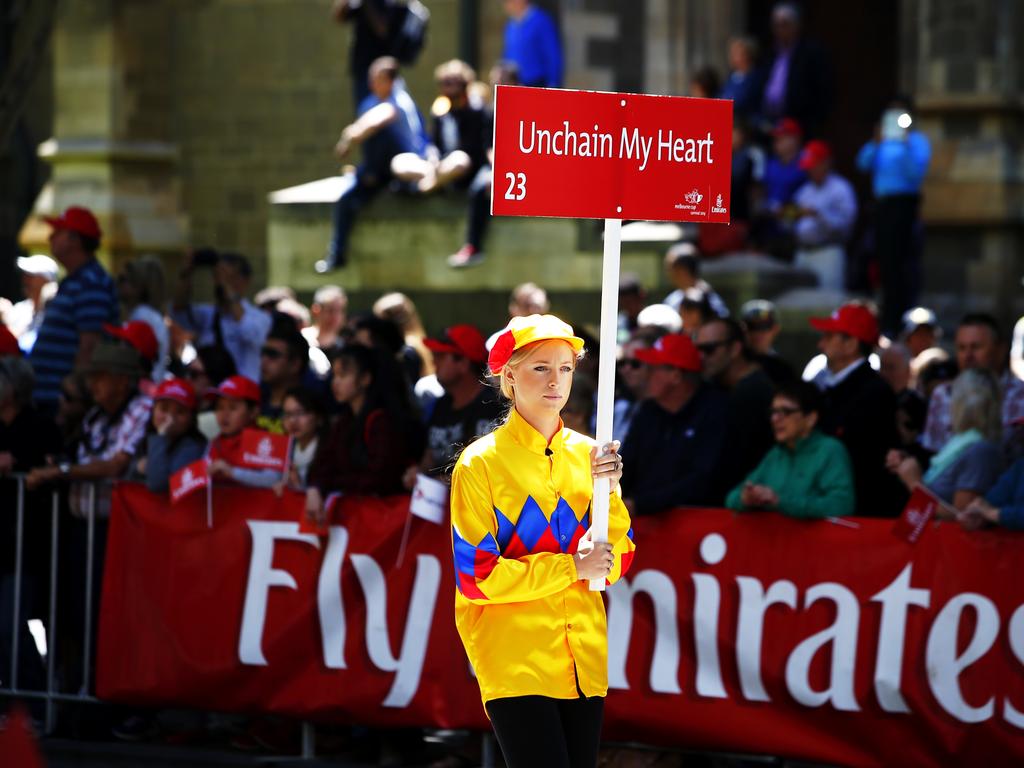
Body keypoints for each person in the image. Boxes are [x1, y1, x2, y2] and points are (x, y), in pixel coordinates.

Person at [449, 313, 633, 768]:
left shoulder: (591, 455)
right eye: (541, 368)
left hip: (583, 656)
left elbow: (618, 558)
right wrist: (572, 566)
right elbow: (476, 578)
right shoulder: (479, 464)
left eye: (566, 368)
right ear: (508, 375)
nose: (557, 381)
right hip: (514, 657)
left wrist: (610, 494)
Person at [321, 56, 432, 272]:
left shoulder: (399, 102)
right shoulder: (369, 102)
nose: (373, 84)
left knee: (382, 135)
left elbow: (378, 119)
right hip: (378, 169)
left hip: (404, 166)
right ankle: (337, 255)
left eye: (379, 79)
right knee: (346, 201)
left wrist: (350, 137)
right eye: (371, 79)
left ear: (391, 81)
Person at [0, 357, 62, 693]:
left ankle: (32, 701)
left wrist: (19, 463)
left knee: (11, 624)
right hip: (5, 543)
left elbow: (50, 467)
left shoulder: (41, 426)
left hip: (25, 546)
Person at [808, 303, 904, 516]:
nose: (821, 344)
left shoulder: (874, 393)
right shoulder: (834, 389)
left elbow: (863, 462)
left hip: (858, 515)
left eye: (829, 336)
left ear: (851, 344)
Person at [619, 333, 730, 514]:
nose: (645, 374)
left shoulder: (714, 410)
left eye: (652, 368)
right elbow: (626, 464)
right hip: (641, 525)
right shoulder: (648, 411)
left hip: (696, 528)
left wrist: (639, 504)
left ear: (676, 375)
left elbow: (701, 480)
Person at [306, 345, 419, 520]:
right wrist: (316, 487)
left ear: (365, 379)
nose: (335, 382)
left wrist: (332, 483)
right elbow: (324, 461)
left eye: (343, 375)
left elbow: (380, 478)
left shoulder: (382, 422)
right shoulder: (343, 421)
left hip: (384, 520)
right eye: (334, 375)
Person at [29, 206, 119, 412]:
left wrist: (73, 395)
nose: (50, 237)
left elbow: (90, 345)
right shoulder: (75, 280)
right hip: (49, 398)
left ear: (74, 240)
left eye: (57, 232)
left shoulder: (92, 282)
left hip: (62, 404)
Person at [856, 96, 932, 336]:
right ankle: (886, 319)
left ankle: (900, 318)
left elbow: (915, 173)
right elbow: (862, 163)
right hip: (882, 208)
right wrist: (877, 141)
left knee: (901, 264)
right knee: (884, 264)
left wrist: (906, 143)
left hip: (904, 207)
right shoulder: (882, 142)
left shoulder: (917, 142)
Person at [727, 381, 854, 518]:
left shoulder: (830, 450)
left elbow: (841, 504)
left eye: (786, 412)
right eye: (773, 412)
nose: (775, 419)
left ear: (811, 418)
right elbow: (731, 497)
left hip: (813, 539)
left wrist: (780, 502)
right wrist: (746, 498)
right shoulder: (776, 454)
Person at [887, 369, 1003, 511]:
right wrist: (908, 468)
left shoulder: (980, 451)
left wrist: (914, 484)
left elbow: (963, 518)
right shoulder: (962, 442)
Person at [404, 324, 501, 485]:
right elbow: (429, 457)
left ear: (463, 363)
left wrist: (440, 482)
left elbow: (488, 472)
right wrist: (418, 475)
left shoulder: (492, 407)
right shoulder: (441, 405)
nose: (433, 361)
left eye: (441, 356)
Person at [448, 60, 520, 269]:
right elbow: (489, 146)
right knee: (480, 187)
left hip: (524, 169)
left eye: (501, 81)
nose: (497, 86)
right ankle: (473, 246)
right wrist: (498, 167)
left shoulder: (530, 108)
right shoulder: (491, 112)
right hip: (496, 167)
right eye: (494, 82)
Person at [921, 314, 1024, 453]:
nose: (968, 356)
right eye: (961, 348)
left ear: (1000, 350)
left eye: (976, 347)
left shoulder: (1020, 395)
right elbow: (932, 454)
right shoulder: (943, 394)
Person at [695, 318, 775, 492]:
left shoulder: (753, 392)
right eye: (698, 350)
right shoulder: (717, 387)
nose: (701, 357)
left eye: (709, 349)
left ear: (735, 349)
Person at [171, 250, 272, 382]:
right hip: (212, 392)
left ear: (244, 281)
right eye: (217, 276)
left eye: (230, 277)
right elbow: (179, 311)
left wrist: (229, 290)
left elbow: (250, 333)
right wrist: (186, 273)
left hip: (243, 392)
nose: (220, 282)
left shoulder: (259, 317)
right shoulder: (208, 315)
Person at [792, 140, 857, 291]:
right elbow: (795, 224)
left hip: (828, 253)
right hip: (802, 252)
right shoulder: (804, 191)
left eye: (814, 165)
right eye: (809, 167)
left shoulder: (841, 189)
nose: (811, 170)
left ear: (826, 163)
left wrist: (818, 215)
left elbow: (845, 225)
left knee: (828, 301)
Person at [759, 2, 832, 138]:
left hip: (800, 126)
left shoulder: (811, 53)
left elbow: (822, 91)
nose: (780, 29)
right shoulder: (770, 53)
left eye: (785, 24)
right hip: (770, 124)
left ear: (797, 25)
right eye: (776, 25)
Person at [206, 376, 282, 488]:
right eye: (220, 407)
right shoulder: (214, 442)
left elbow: (273, 479)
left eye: (232, 408)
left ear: (253, 412)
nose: (224, 414)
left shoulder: (267, 440)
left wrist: (233, 472)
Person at [135, 378, 207, 493]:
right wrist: (137, 468)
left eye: (180, 412)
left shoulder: (193, 447)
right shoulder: (145, 439)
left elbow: (158, 484)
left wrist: (161, 435)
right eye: (164, 409)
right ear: (153, 410)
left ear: (191, 418)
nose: (170, 418)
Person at [117, 255, 170, 380]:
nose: (118, 284)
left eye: (123, 279)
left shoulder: (143, 316)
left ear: (139, 286)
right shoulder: (149, 315)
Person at [259, 315, 311, 433]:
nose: (264, 360)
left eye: (272, 354)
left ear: (295, 364)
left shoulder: (310, 408)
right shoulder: (253, 401)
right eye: (263, 353)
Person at [274, 387, 326, 493]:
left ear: (319, 417)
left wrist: (298, 487)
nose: (293, 421)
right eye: (288, 414)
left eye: (300, 413)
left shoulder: (329, 452)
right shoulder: (285, 450)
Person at [501, 0, 563, 88]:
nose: (507, 4)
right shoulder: (510, 25)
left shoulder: (542, 21)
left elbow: (553, 56)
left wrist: (553, 84)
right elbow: (507, 54)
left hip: (537, 84)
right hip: (514, 84)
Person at [5, 254, 58, 353]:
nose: (25, 280)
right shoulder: (18, 309)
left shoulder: (57, 312)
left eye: (31, 276)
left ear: (46, 280)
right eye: (25, 275)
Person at [661, 243, 728, 318]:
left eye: (670, 268)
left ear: (683, 270)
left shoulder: (709, 301)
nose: (668, 273)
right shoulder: (672, 300)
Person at [957, 456, 1024, 530]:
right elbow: (997, 496)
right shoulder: (1020, 466)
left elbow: (991, 511)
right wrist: (978, 512)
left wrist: (994, 514)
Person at [740, 299, 796, 387]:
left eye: (764, 326)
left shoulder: (782, 369)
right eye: (752, 326)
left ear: (775, 329)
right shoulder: (733, 365)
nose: (757, 333)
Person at [720, 36, 763, 122]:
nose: (731, 57)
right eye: (731, 53)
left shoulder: (756, 78)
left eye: (736, 53)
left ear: (748, 55)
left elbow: (742, 102)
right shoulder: (731, 77)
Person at [302, 285, 348, 353]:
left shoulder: (345, 346)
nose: (335, 316)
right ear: (316, 310)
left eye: (340, 310)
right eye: (330, 310)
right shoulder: (302, 339)